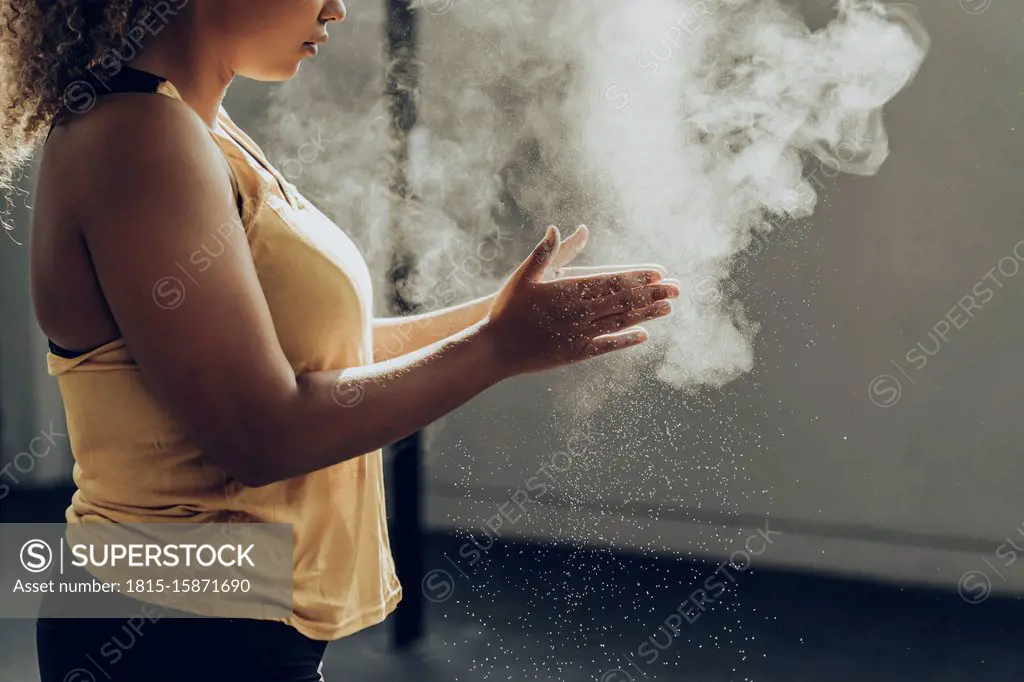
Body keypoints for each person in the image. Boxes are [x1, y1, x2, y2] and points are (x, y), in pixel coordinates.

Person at [0, 1, 680, 680]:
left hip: (224, 618)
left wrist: (505, 321)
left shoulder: (199, 128)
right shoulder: (137, 138)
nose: (337, 7)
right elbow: (260, 434)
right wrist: (498, 348)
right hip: (169, 626)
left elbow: (310, 357)